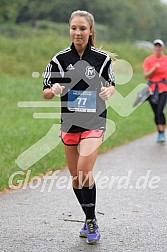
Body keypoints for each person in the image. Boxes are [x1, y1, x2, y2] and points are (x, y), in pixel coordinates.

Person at [43, 10, 115, 244]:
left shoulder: (102, 59)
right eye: (74, 28)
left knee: (85, 169)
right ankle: (88, 217)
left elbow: (111, 84)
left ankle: (92, 221)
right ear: (69, 30)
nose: (77, 32)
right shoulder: (60, 60)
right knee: (76, 178)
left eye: (82, 28)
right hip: (70, 123)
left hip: (95, 122)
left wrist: (108, 91)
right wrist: (53, 90)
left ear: (91, 31)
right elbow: (45, 90)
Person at [143, 39, 167, 143]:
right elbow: (146, 76)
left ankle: (162, 133)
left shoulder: (166, 59)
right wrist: (153, 68)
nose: (158, 48)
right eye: (156, 46)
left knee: (160, 110)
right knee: (156, 112)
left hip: (163, 88)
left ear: (162, 48)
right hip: (152, 90)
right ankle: (159, 132)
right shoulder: (148, 60)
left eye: (159, 46)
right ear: (154, 48)